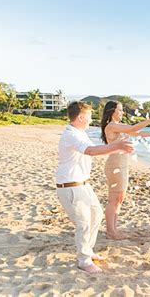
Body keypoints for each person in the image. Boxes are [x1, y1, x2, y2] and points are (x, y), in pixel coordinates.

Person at [56, 101, 134, 274]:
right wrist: (117, 145)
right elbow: (90, 151)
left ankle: (88, 251)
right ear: (81, 116)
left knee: (96, 214)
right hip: (70, 185)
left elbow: (97, 149)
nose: (92, 119)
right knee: (83, 223)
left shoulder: (80, 133)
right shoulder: (71, 134)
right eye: (90, 116)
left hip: (83, 184)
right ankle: (83, 260)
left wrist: (117, 150)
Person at [100, 100, 150, 239]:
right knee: (113, 199)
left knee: (119, 198)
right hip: (115, 165)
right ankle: (110, 232)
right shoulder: (111, 126)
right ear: (111, 111)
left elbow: (138, 133)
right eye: (119, 110)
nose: (122, 112)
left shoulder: (118, 126)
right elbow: (133, 128)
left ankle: (113, 229)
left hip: (122, 165)